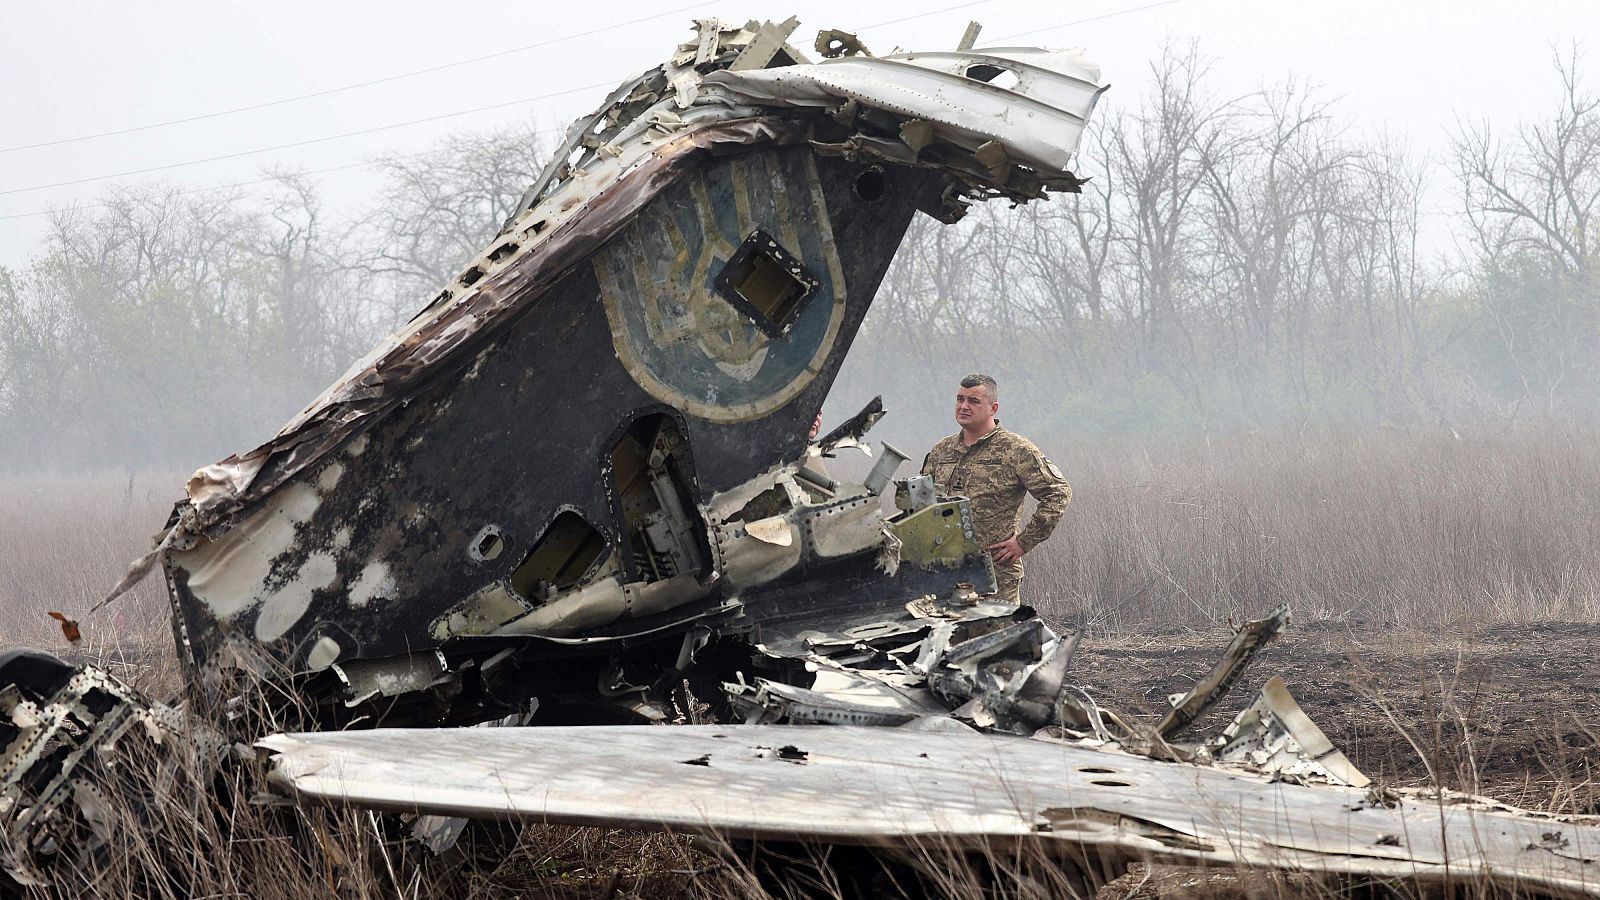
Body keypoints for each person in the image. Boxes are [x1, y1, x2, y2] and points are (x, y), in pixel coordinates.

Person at [920, 374, 1071, 603]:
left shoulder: (1015, 449)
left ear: (993, 408)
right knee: (946, 639)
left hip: (994, 577)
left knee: (996, 638)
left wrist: (1023, 542)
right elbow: (921, 504)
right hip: (942, 575)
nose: (964, 406)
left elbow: (1058, 493)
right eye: (960, 399)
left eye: (973, 401)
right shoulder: (942, 450)